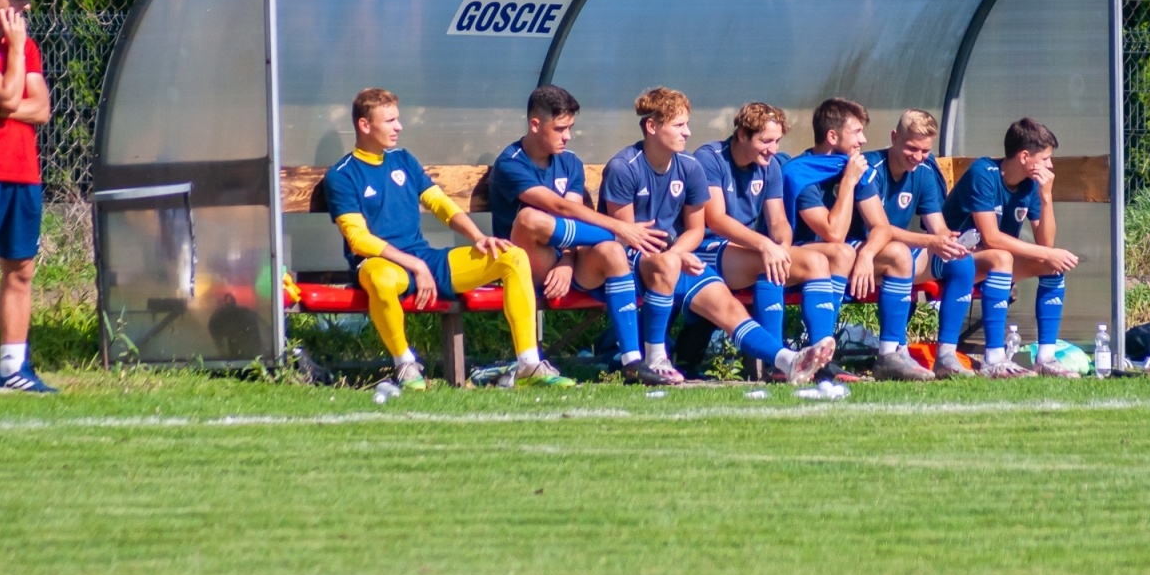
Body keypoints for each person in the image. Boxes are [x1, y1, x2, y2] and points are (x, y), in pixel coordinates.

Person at [325, 88, 570, 391]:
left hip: (425, 260)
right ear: (365, 125)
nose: (398, 127)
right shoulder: (342, 175)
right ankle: (406, 365)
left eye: (397, 120)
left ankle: (529, 365)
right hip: (383, 263)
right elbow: (358, 240)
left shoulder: (403, 159)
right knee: (381, 279)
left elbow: (440, 204)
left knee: (512, 256)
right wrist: (415, 265)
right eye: (389, 121)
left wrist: (479, 237)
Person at [601, 88, 834, 386]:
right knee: (672, 266)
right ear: (652, 127)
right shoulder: (625, 167)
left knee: (729, 307)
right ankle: (653, 359)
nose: (688, 132)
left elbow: (694, 229)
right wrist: (674, 255)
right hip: (637, 257)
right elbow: (627, 235)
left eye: (687, 123)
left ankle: (788, 361)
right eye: (679, 125)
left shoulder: (688, 166)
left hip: (680, 254)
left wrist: (779, 247)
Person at [490, 85, 668, 383]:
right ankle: (612, 240)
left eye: (570, 127)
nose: (567, 136)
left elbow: (570, 214)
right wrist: (617, 228)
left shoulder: (570, 161)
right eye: (560, 128)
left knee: (612, 253)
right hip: (525, 265)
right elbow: (558, 206)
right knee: (530, 218)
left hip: (565, 261)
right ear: (535, 125)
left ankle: (632, 362)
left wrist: (568, 262)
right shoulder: (510, 162)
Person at [692, 102, 853, 360]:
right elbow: (716, 220)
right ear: (742, 134)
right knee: (767, 261)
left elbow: (778, 221)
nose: (773, 149)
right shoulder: (710, 158)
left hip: (748, 247)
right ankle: (776, 359)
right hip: (708, 249)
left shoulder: (771, 165)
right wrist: (766, 246)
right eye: (766, 141)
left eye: (777, 141)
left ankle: (820, 356)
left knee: (817, 261)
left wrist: (782, 246)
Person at [783, 98, 922, 381]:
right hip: (795, 255)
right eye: (856, 132)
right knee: (841, 252)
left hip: (841, 253)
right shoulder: (802, 172)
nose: (864, 139)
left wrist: (868, 255)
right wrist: (847, 182)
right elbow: (832, 232)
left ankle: (890, 355)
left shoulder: (855, 167)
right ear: (832, 136)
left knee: (898, 254)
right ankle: (821, 355)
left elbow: (881, 226)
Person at [943, 119, 1080, 379]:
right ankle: (994, 359)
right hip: (952, 261)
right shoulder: (983, 173)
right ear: (1025, 156)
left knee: (1052, 266)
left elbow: (1046, 244)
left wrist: (1046, 196)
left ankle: (1046, 358)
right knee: (1003, 256)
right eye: (1046, 158)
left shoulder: (1031, 184)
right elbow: (991, 238)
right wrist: (1048, 253)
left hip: (990, 262)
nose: (1051, 165)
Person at [861, 110, 988, 380]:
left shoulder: (925, 170)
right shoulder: (870, 168)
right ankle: (890, 355)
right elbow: (880, 229)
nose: (918, 157)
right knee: (900, 255)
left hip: (901, 256)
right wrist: (932, 240)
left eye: (925, 150)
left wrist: (949, 242)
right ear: (894, 137)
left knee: (960, 261)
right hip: (862, 255)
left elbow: (937, 227)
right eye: (911, 148)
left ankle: (947, 356)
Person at [0, 0, 53, 393]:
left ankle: (13, 369)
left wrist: (9, 104)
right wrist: (14, 52)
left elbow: (42, 108)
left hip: (23, 175)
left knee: (20, 270)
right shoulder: (20, 47)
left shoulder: (28, 46)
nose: (25, 7)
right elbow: (6, 95)